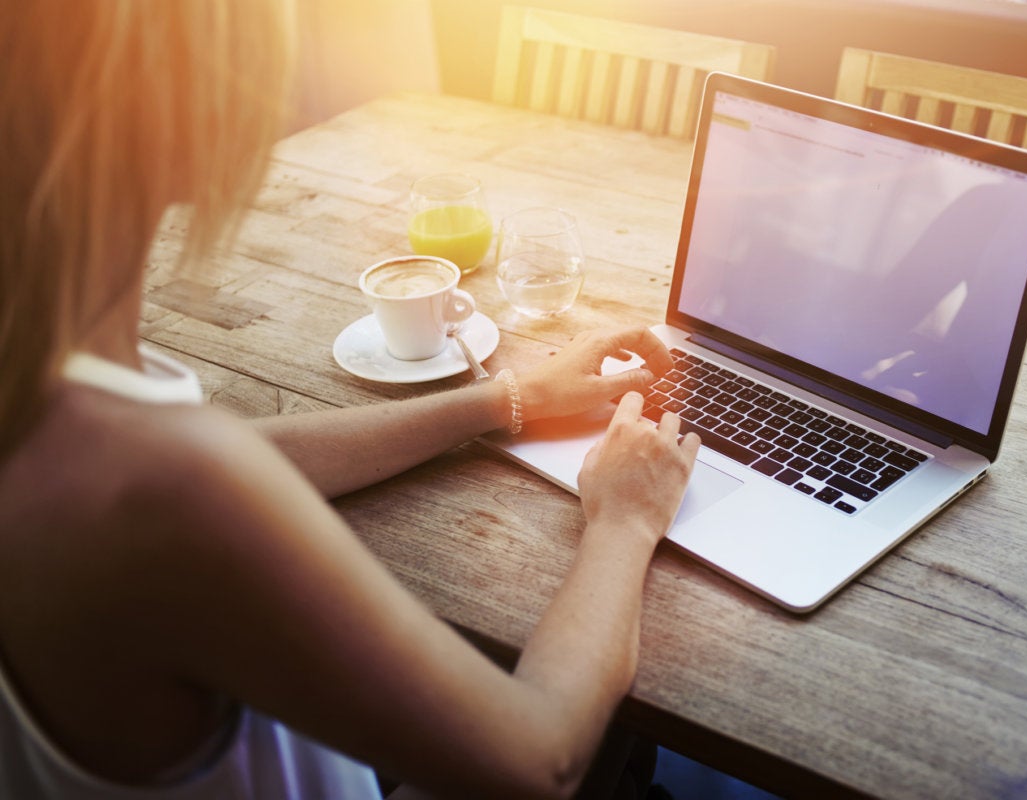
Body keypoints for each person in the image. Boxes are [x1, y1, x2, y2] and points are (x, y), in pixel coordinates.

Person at [0, 2, 700, 798]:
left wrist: (506, 399)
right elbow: (542, 759)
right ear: (181, 124)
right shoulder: (162, 485)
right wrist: (627, 520)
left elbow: (236, 461)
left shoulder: (60, 386)